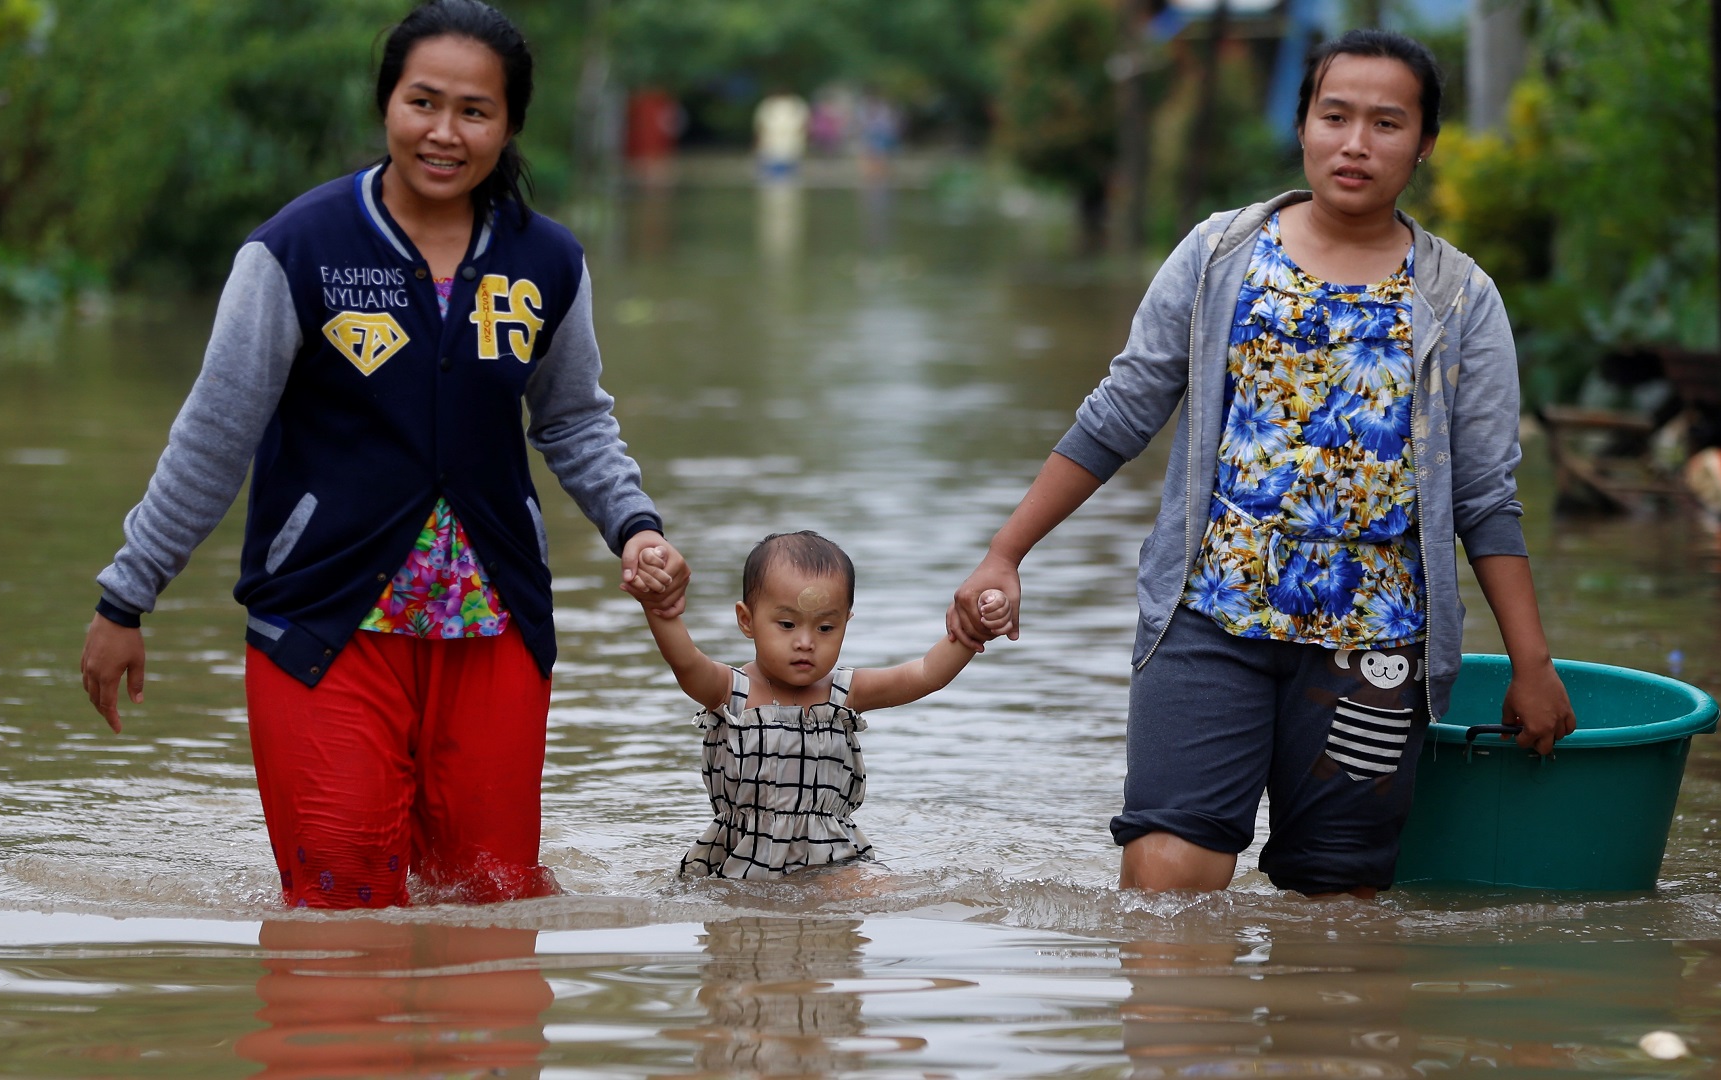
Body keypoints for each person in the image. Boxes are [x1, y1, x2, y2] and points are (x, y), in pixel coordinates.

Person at [78, 0, 688, 909]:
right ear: (387, 105)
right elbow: (215, 435)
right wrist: (127, 596)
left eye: (475, 111)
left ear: (509, 123)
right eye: (423, 102)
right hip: (325, 623)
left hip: (494, 622)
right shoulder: (297, 250)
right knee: (339, 909)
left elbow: (573, 421)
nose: (445, 133)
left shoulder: (547, 261)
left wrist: (636, 529)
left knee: (493, 911)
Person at [947, 30, 1575, 898]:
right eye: (1336, 116)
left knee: (1338, 925)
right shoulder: (1220, 257)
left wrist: (1531, 664)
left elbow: (1484, 496)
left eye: (1387, 123)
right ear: (1304, 126)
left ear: (1425, 143)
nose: (1356, 143)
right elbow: (1120, 413)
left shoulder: (1460, 299)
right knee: (1165, 886)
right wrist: (1005, 552)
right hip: (1209, 616)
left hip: (1373, 648)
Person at [644, 531, 1006, 879]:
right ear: (747, 620)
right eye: (786, 624)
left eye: (826, 628)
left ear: (846, 622)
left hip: (830, 858)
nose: (806, 642)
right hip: (739, 861)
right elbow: (685, 661)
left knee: (873, 892)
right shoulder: (730, 691)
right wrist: (658, 605)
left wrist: (973, 630)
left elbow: (926, 674)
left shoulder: (844, 694)